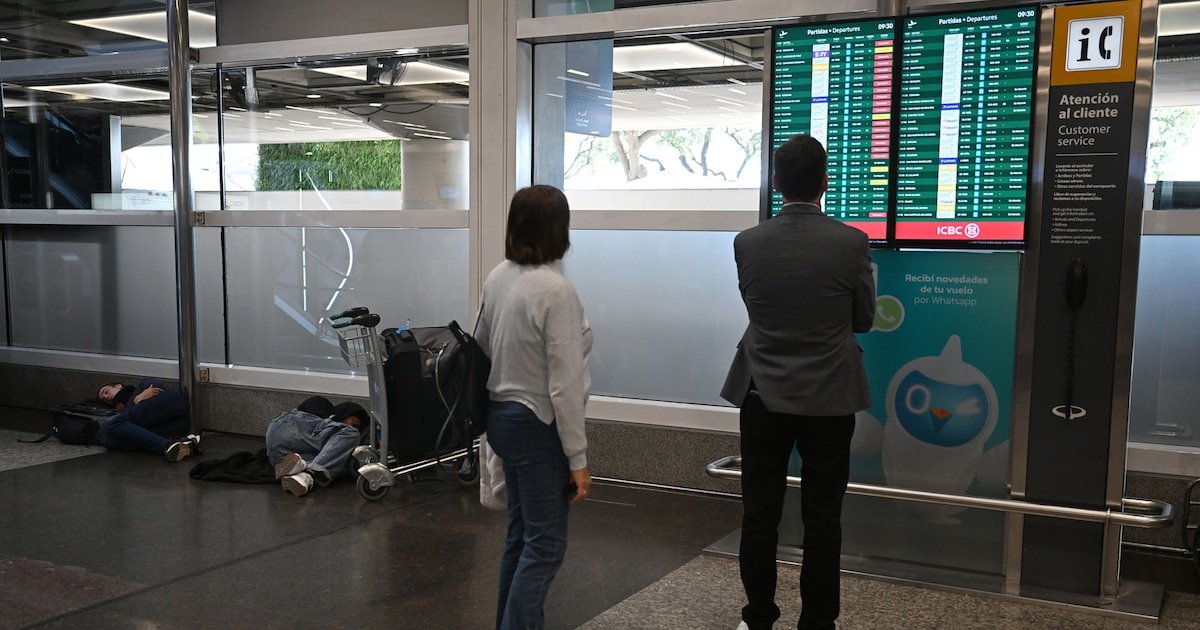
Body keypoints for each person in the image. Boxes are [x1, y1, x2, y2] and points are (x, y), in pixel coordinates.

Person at [721, 134, 875, 630]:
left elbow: (757, 308)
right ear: (825, 183)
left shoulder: (747, 242)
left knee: (759, 513)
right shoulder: (852, 243)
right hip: (830, 396)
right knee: (823, 518)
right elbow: (864, 319)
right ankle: (818, 622)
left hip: (762, 392)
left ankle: (758, 617)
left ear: (776, 183)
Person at [476, 185, 593, 630]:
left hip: (502, 417)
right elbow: (565, 384)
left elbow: (482, 346)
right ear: (558, 229)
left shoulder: (499, 276)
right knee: (546, 544)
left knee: (521, 534)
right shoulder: (555, 291)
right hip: (536, 423)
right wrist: (578, 459)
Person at [266, 395, 368, 496]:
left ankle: (300, 468)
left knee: (334, 462)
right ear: (347, 413)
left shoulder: (321, 441)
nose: (352, 426)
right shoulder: (324, 408)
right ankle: (309, 474)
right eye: (354, 423)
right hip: (289, 426)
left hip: (277, 456)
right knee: (351, 433)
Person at [95, 378, 198, 463]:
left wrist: (137, 400)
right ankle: (180, 446)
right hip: (174, 428)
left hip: (172, 406)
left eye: (106, 392)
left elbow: (155, 386)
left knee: (112, 427)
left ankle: (166, 446)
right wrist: (134, 405)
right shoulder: (127, 410)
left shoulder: (138, 389)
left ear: (118, 386)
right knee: (107, 439)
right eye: (104, 399)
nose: (106, 397)